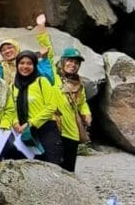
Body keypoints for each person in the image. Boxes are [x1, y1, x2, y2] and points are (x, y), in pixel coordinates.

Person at [34, 14, 92, 172]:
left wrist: (86, 113)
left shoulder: (78, 84)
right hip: (55, 130)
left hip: (72, 132)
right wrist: (41, 27)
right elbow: (48, 50)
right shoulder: (53, 75)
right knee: (52, 169)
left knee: (68, 170)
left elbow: (82, 103)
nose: (73, 65)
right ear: (63, 61)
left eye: (76, 62)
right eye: (70, 61)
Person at [11, 50, 63, 166]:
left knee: (52, 166)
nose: (25, 66)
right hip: (24, 133)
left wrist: (31, 123)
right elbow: (11, 109)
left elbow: (52, 106)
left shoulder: (41, 81)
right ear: (17, 65)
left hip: (46, 130)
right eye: (22, 63)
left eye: (29, 63)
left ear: (34, 65)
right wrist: (15, 122)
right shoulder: (13, 86)